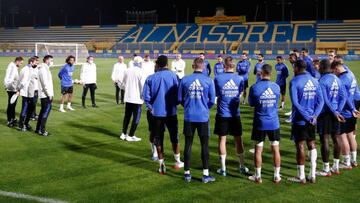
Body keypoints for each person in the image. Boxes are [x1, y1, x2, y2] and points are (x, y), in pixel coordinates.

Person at [143, 55, 184, 174]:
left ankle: (161, 165)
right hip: (171, 112)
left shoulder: (151, 78)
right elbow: (178, 95)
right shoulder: (174, 76)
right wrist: (174, 103)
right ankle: (178, 161)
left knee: (158, 138)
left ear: (157, 64)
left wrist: (151, 108)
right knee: (174, 137)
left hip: (157, 114)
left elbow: (146, 97)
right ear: (167, 63)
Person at [178, 57, 216, 183]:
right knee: (204, 145)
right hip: (203, 116)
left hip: (189, 116)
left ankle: (187, 173)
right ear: (203, 67)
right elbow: (212, 100)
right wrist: (205, 107)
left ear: (193, 66)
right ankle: (205, 174)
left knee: (188, 144)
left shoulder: (184, 80)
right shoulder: (208, 80)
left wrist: (188, 106)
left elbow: (180, 99)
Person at [288, 60, 324, 184]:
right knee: (311, 144)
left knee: (300, 146)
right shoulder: (315, 80)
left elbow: (295, 103)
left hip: (300, 119)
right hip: (312, 120)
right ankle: (312, 175)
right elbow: (321, 101)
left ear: (297, 68)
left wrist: (307, 117)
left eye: (294, 67)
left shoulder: (294, 81)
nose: (293, 69)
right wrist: (314, 116)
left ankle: (301, 177)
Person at [214, 56, 249, 177]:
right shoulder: (239, 79)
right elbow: (239, 93)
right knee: (238, 139)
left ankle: (223, 168)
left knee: (222, 140)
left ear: (224, 65)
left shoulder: (218, 78)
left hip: (222, 114)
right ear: (233, 66)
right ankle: (242, 166)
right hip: (235, 114)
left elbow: (217, 94)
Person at [248, 64, 281, 183]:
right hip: (273, 122)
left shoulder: (254, 87)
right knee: (275, 149)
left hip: (260, 122)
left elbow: (251, 104)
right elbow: (276, 103)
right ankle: (276, 176)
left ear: (261, 73)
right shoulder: (276, 87)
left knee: (258, 150)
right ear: (271, 73)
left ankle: (258, 176)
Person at [316, 59, 346, 176]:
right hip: (336, 113)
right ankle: (336, 166)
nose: (318, 68)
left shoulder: (322, 80)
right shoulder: (337, 79)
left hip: (325, 114)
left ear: (323, 67)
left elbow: (324, 100)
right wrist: (338, 111)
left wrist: (334, 112)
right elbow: (343, 97)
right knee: (336, 138)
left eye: (319, 66)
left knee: (325, 139)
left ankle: (326, 169)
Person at [333, 61, 360, 169]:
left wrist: (339, 111)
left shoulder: (342, 80)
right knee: (350, 135)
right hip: (352, 108)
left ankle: (346, 162)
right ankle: (354, 160)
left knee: (342, 136)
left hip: (345, 110)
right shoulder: (350, 74)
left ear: (336, 69)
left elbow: (345, 97)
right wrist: (353, 108)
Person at [119, 56, 144, 142]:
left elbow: (122, 84)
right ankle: (131, 135)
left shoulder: (127, 70)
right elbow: (143, 86)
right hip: (137, 99)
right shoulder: (141, 72)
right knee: (136, 118)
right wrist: (144, 97)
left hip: (128, 97)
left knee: (127, 116)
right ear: (140, 63)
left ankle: (123, 133)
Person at [18, 56, 39, 131]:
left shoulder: (26, 69)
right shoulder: (27, 70)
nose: (36, 64)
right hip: (27, 93)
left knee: (27, 109)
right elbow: (23, 82)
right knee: (26, 109)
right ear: (31, 62)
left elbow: (19, 80)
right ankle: (22, 125)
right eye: (35, 62)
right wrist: (18, 89)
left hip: (27, 92)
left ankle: (24, 124)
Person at [35, 55, 54, 136]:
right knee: (45, 113)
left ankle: (38, 129)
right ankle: (42, 130)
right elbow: (44, 83)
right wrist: (49, 94)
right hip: (45, 95)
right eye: (51, 60)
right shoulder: (43, 69)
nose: (52, 62)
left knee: (43, 112)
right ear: (47, 60)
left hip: (46, 94)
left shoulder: (45, 68)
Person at [4, 57, 24, 127]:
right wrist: (14, 90)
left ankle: (13, 118)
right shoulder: (12, 67)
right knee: (11, 105)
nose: (21, 64)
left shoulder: (14, 67)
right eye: (21, 63)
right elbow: (9, 80)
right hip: (12, 90)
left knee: (13, 105)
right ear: (17, 61)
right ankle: (9, 121)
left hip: (13, 89)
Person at [284, 53, 298, 122]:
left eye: (291, 58)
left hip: (298, 82)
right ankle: (292, 111)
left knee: (295, 98)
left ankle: (292, 116)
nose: (289, 59)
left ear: (295, 58)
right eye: (289, 58)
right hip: (295, 80)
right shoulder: (293, 63)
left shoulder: (297, 64)